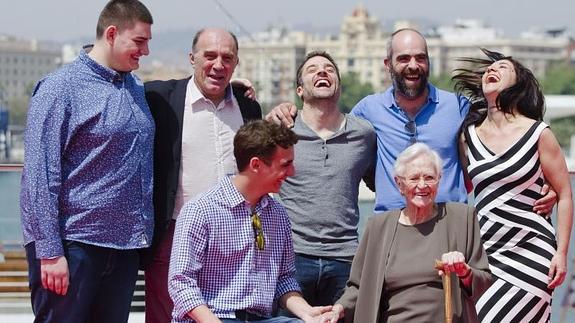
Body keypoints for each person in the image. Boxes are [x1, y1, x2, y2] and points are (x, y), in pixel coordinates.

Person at [266, 28, 556, 215]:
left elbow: (507, 132)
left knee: (452, 312)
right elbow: (330, 135)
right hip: (392, 228)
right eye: (404, 58)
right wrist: (286, 111)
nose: (413, 66)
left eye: (421, 58)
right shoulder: (367, 111)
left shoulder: (458, 107)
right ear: (388, 64)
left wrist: (549, 180)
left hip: (450, 225)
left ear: (429, 62)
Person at [19, 1, 154, 322]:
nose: (146, 51)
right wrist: (50, 252)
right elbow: (40, 174)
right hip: (74, 247)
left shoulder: (135, 87)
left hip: (124, 249)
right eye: (139, 41)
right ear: (111, 34)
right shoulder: (59, 88)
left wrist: (230, 91)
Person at [143, 27, 261, 323]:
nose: (218, 65)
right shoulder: (159, 98)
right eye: (210, 56)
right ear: (192, 58)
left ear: (236, 64)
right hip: (174, 234)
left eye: (227, 58)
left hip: (234, 241)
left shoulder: (248, 107)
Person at [168, 120, 334, 323]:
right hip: (214, 317)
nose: (292, 173)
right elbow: (181, 283)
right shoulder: (200, 210)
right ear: (256, 164)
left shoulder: (278, 215)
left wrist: (307, 313)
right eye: (285, 165)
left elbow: (284, 279)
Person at [454, 49, 574, 322]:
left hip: (531, 251)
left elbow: (565, 194)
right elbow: (462, 188)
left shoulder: (538, 133)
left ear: (519, 84)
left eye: (503, 67)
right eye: (488, 69)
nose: (491, 71)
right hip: (485, 257)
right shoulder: (468, 137)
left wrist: (562, 254)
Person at [329, 143, 492, 323]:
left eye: (429, 177)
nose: (422, 185)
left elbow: (483, 281)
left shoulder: (462, 218)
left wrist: (464, 271)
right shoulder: (378, 227)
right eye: (414, 178)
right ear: (400, 184)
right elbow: (358, 286)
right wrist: (338, 308)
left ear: (439, 180)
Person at [275, 51, 376, 307]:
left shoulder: (364, 134)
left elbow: (381, 185)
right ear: (299, 90)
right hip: (291, 258)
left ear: (339, 86)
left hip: (346, 259)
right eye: (312, 70)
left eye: (329, 69)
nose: (322, 72)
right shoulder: (280, 131)